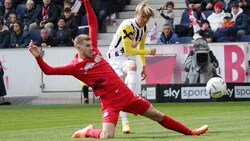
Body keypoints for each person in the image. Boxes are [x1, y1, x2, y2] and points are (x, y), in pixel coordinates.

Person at [29, 0, 209, 139]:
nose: (92, 47)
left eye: (92, 44)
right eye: (88, 46)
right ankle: (88, 132)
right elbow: (49, 71)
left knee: (155, 114)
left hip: (125, 94)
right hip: (109, 101)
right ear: (79, 48)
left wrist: (86, 3)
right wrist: (38, 56)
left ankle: (190, 132)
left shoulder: (96, 52)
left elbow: (93, 23)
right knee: (107, 135)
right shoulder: (75, 67)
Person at [107, 1, 156, 134]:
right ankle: (125, 122)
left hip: (128, 57)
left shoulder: (144, 29)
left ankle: (128, 98)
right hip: (115, 57)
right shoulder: (127, 25)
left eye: (147, 18)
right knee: (120, 84)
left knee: (133, 66)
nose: (145, 20)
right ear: (136, 14)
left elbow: (140, 48)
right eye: (143, 17)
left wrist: (144, 65)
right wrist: (149, 52)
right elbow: (129, 49)